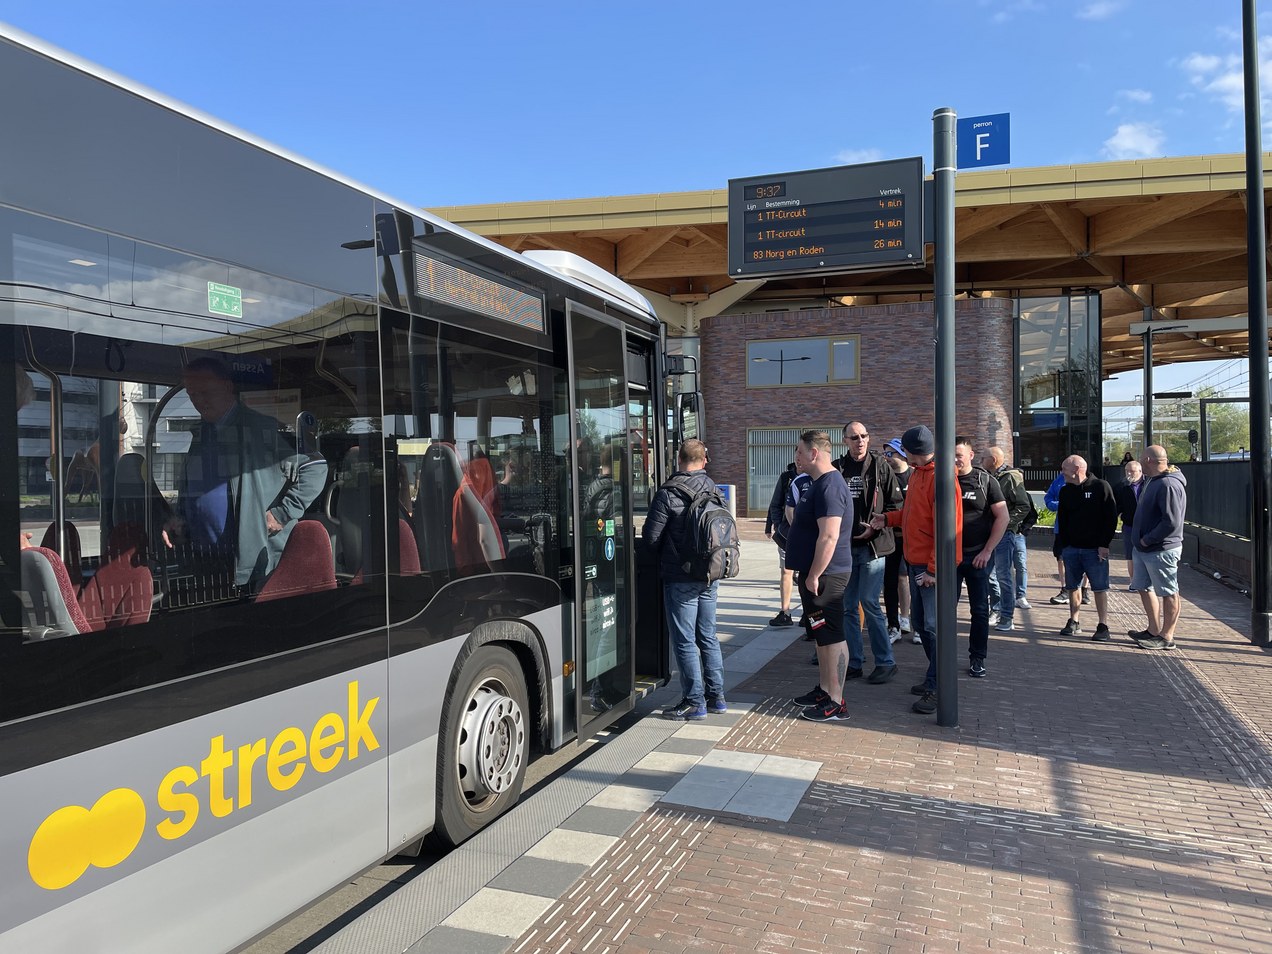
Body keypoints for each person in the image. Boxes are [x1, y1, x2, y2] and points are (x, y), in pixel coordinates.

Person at [163, 356, 328, 594]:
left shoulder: (262, 428)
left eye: (205, 392)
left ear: (227, 387)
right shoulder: (201, 433)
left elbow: (314, 465)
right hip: (206, 560)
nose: (198, 401)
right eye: (192, 394)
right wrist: (180, 517)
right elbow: (197, 487)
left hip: (254, 565)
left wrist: (282, 513)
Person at [872, 425, 962, 717]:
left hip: (929, 567)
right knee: (924, 626)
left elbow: (947, 529)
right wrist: (887, 518)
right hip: (918, 563)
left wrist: (934, 570)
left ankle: (940, 686)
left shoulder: (940, 478)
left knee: (935, 628)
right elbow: (914, 516)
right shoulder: (920, 475)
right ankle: (935, 679)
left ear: (911, 452)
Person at [642, 439, 726, 720]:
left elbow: (651, 537)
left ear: (679, 459)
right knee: (708, 636)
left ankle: (694, 701)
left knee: (685, 640)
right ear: (704, 461)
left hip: (680, 577)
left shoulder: (669, 492)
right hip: (710, 575)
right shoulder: (715, 489)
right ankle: (717, 697)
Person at [785, 430, 854, 722]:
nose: (796, 457)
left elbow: (829, 536)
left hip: (827, 576)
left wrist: (814, 575)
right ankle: (826, 690)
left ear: (814, 453)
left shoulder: (830, 485)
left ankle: (836, 701)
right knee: (820, 633)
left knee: (832, 635)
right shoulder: (817, 483)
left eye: (800, 452)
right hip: (814, 575)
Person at [833, 421, 902, 684]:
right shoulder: (837, 469)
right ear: (845, 441)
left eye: (864, 436)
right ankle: (854, 662)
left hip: (874, 547)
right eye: (854, 437)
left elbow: (897, 505)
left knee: (869, 602)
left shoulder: (881, 466)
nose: (860, 441)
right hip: (846, 548)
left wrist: (876, 524)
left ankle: (886, 662)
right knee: (849, 606)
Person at [955, 437, 1008, 678]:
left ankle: (978, 657)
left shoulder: (986, 481)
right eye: (951, 455)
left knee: (979, 610)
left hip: (978, 557)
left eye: (959, 454)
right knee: (944, 611)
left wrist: (987, 551)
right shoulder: (942, 480)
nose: (955, 459)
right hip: (949, 559)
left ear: (970, 455)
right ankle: (942, 660)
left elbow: (1003, 517)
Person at [1128, 445, 1187, 650]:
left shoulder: (1168, 484)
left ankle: (1167, 636)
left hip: (1160, 548)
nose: (1139, 461)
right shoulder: (1153, 481)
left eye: (1141, 458)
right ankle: (1153, 630)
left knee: (1168, 591)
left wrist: (1147, 540)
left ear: (1149, 461)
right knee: (1144, 587)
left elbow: (1171, 521)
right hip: (1144, 548)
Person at [1054, 455, 1118, 641]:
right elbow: (1063, 520)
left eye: (1064, 468)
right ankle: (1074, 620)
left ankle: (1103, 625)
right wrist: (1062, 546)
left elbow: (1110, 518)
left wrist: (1104, 544)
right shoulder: (1065, 491)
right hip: (1072, 548)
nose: (1062, 472)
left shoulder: (1101, 487)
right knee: (1072, 586)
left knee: (1099, 587)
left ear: (1076, 469)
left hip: (1094, 549)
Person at [982, 446, 1032, 633]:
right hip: (990, 533)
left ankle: (1007, 616)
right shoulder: (989, 476)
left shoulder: (1010, 477)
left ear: (993, 460)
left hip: (1004, 534)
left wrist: (1006, 524)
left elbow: (1023, 505)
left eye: (983, 457)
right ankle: (995, 609)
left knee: (1003, 575)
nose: (981, 461)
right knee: (989, 574)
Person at [881, 438, 913, 644]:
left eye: (890, 454)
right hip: (891, 537)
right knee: (890, 580)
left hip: (912, 538)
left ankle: (909, 620)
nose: (887, 458)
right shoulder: (885, 477)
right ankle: (894, 625)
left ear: (901, 454)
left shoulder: (916, 476)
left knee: (910, 579)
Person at [1045, 469, 1090, 606]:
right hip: (1062, 528)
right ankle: (1065, 589)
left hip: (1084, 528)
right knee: (1061, 558)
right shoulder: (1058, 481)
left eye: (1066, 468)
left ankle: (1084, 589)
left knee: (1087, 558)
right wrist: (1061, 504)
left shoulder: (1090, 483)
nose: (1063, 471)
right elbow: (1048, 499)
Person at [764, 462, 798, 627]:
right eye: (797, 453)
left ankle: (809, 613)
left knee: (809, 573)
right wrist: (777, 526)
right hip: (787, 534)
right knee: (786, 571)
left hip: (811, 534)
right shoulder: (786, 478)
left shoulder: (817, 476)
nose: (799, 458)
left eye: (802, 453)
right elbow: (775, 504)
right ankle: (785, 612)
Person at [1115, 457, 1144, 579]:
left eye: (1132, 471)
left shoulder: (1148, 484)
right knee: (1130, 555)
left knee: (1145, 555)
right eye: (1127, 471)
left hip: (1146, 526)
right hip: (1129, 525)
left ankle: (1146, 581)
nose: (1129, 474)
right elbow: (1116, 507)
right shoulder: (1121, 486)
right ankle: (1133, 581)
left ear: (1140, 471)